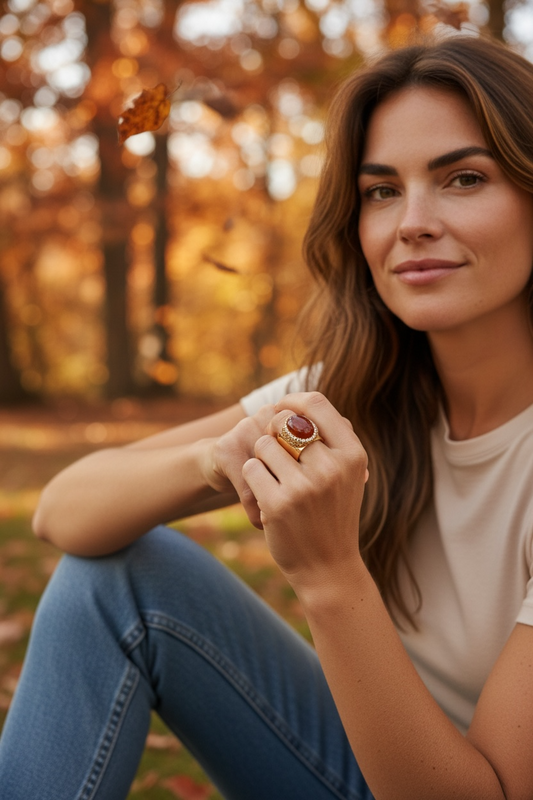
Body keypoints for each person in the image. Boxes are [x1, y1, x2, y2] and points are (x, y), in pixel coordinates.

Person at [1, 32, 533, 800]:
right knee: (119, 574)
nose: (410, 222)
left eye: (463, 178)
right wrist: (216, 460)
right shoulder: (353, 392)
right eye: (381, 191)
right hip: (361, 771)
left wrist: (328, 574)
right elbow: (62, 510)